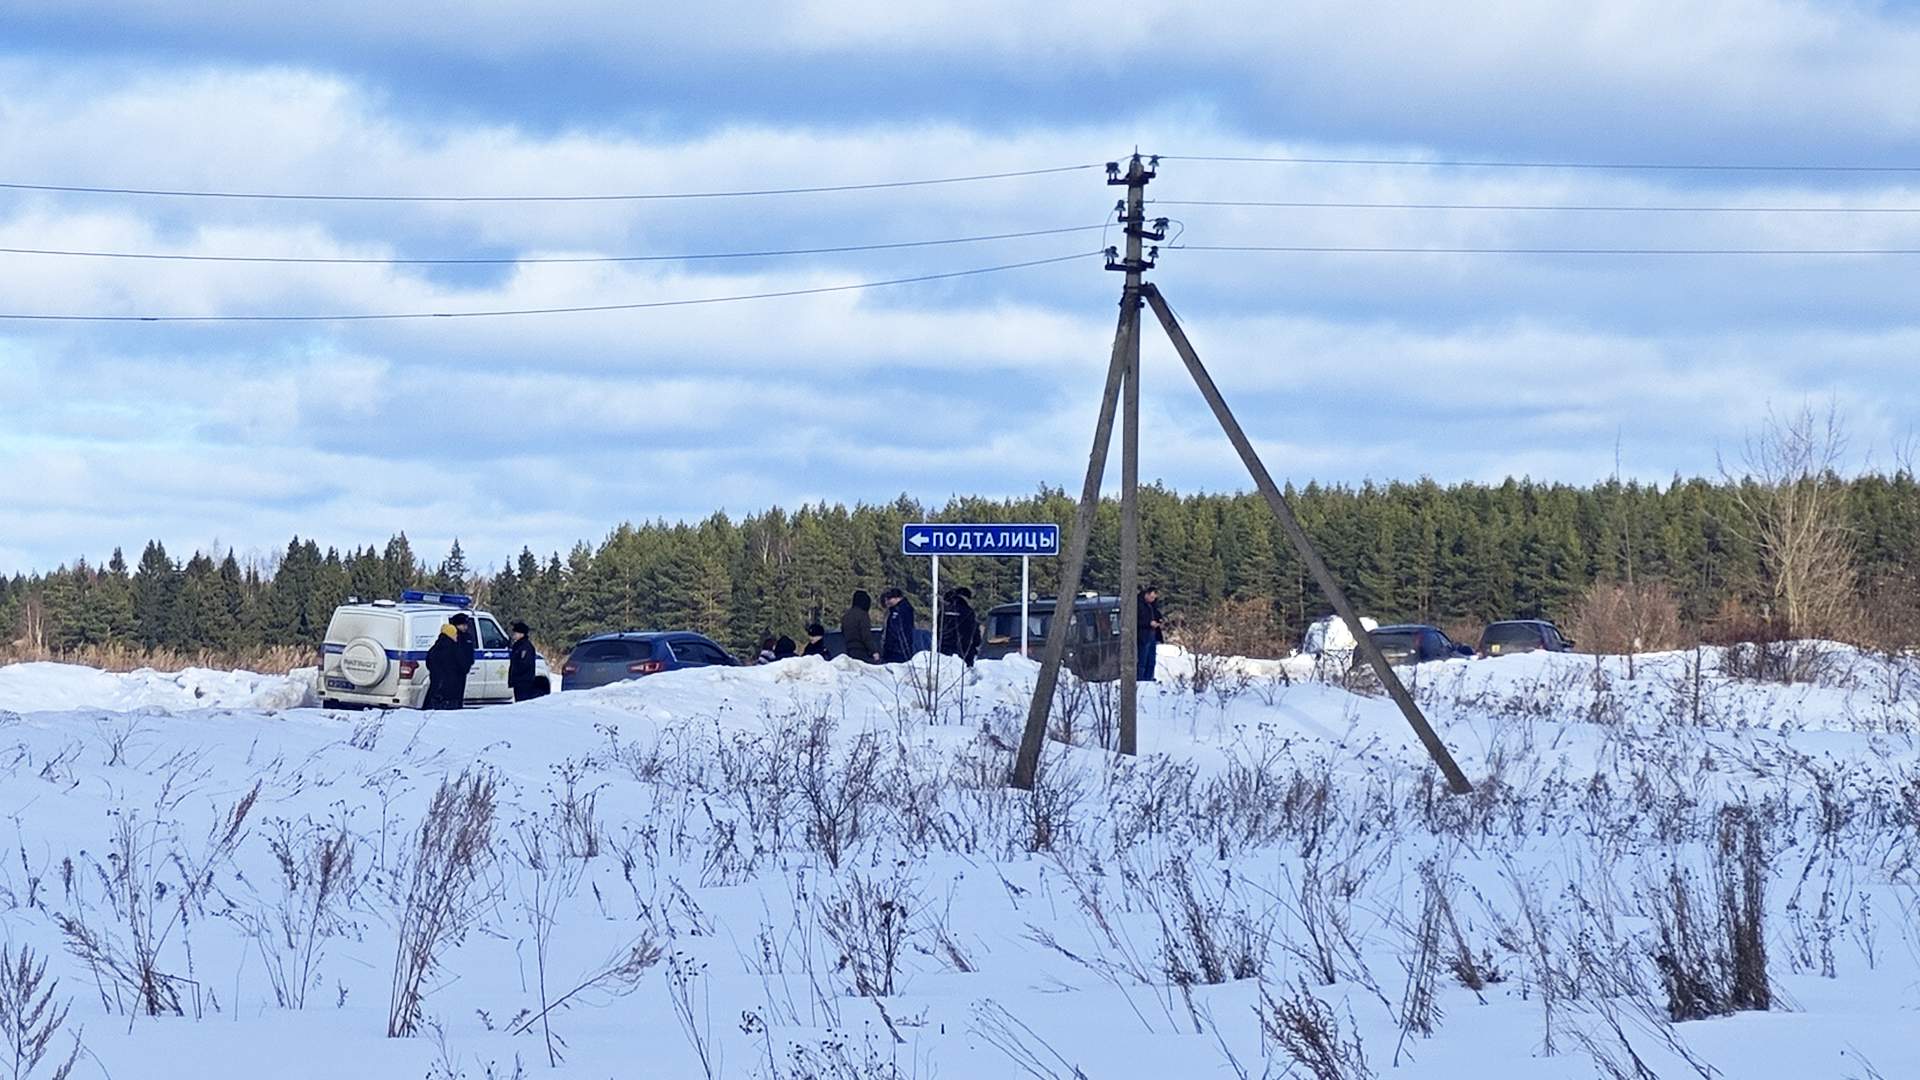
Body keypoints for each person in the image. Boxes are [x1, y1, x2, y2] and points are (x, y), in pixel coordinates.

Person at [423, 612, 475, 709]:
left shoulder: (439, 645)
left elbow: (429, 661)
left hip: (442, 681)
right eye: (463, 624)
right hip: (451, 681)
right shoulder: (451, 646)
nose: (465, 627)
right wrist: (464, 667)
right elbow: (460, 660)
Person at [940, 586, 980, 667]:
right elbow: (974, 631)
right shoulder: (968, 611)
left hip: (944, 650)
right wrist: (976, 643)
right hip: (964, 650)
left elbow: (937, 629)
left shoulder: (944, 610)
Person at [508, 620, 544, 701]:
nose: (514, 635)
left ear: (521, 634)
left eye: (515, 633)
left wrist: (516, 674)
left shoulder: (525, 647)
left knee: (523, 701)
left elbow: (524, 664)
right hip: (518, 681)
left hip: (524, 682)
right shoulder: (517, 645)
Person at [880, 587, 917, 664]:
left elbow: (898, 630)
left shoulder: (901, 610)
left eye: (889, 599)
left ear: (896, 598)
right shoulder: (895, 610)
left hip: (898, 650)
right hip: (894, 648)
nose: (888, 602)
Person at [1136, 584, 1164, 682]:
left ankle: (1149, 678)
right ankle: (1140, 679)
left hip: (1153, 635)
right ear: (1147, 594)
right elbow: (1136, 621)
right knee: (1142, 659)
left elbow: (1157, 614)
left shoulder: (1152, 605)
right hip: (1143, 635)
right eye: (1151, 597)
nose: (1153, 599)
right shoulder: (1138, 604)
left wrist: (1159, 620)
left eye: (1154, 598)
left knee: (1151, 660)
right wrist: (1148, 623)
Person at [841, 590, 878, 663]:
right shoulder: (863, 615)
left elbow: (843, 631)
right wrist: (874, 651)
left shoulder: (846, 615)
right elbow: (866, 635)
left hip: (849, 649)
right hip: (862, 650)